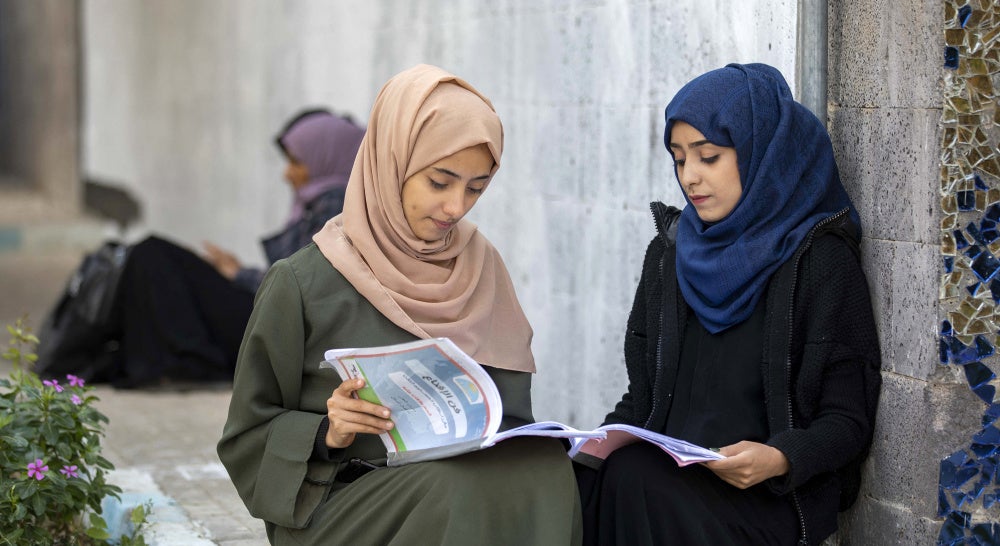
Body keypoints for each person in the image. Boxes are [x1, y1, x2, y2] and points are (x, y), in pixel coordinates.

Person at [217, 64, 581, 545]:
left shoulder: (481, 267)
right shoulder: (302, 281)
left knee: (549, 469)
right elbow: (247, 434)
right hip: (339, 501)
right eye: (439, 182)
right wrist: (328, 431)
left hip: (456, 479)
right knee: (451, 488)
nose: (457, 207)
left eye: (475, 188)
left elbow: (510, 414)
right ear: (393, 162)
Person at [574, 63, 882, 546]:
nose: (690, 177)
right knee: (594, 481)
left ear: (762, 153)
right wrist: (583, 450)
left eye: (709, 156)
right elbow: (643, 399)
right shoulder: (670, 256)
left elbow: (847, 420)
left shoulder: (820, 261)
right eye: (679, 160)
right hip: (665, 479)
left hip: (769, 496)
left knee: (638, 484)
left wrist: (781, 458)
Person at [106, 109, 365, 387]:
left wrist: (238, 274)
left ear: (326, 157)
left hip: (281, 330)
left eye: (296, 162)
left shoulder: (334, 204)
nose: (287, 174)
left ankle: (189, 363)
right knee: (156, 260)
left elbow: (307, 288)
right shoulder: (321, 202)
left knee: (153, 254)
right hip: (276, 319)